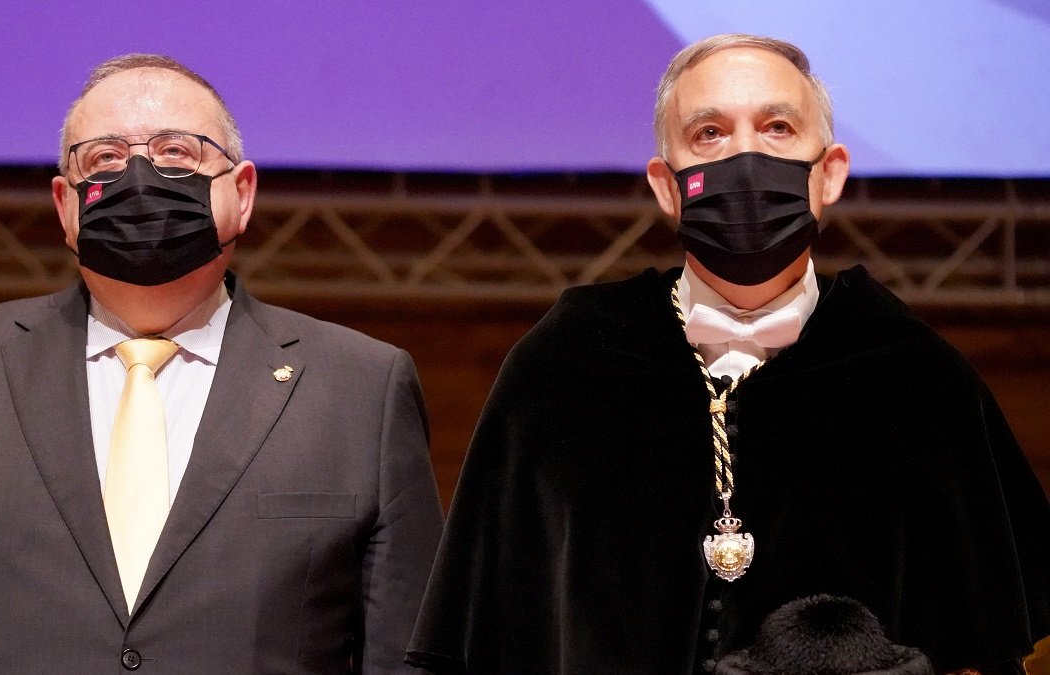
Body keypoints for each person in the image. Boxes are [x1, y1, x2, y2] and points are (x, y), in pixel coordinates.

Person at [406, 34, 1050, 674]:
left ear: (829, 173)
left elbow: (982, 650)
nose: (745, 154)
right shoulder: (561, 369)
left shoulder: (917, 379)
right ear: (667, 185)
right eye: (709, 133)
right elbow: (489, 637)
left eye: (777, 128)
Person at [0, 54, 443, 673]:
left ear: (241, 193)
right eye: (104, 158)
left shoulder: (361, 387)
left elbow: (407, 653)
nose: (139, 177)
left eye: (177, 154)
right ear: (65, 204)